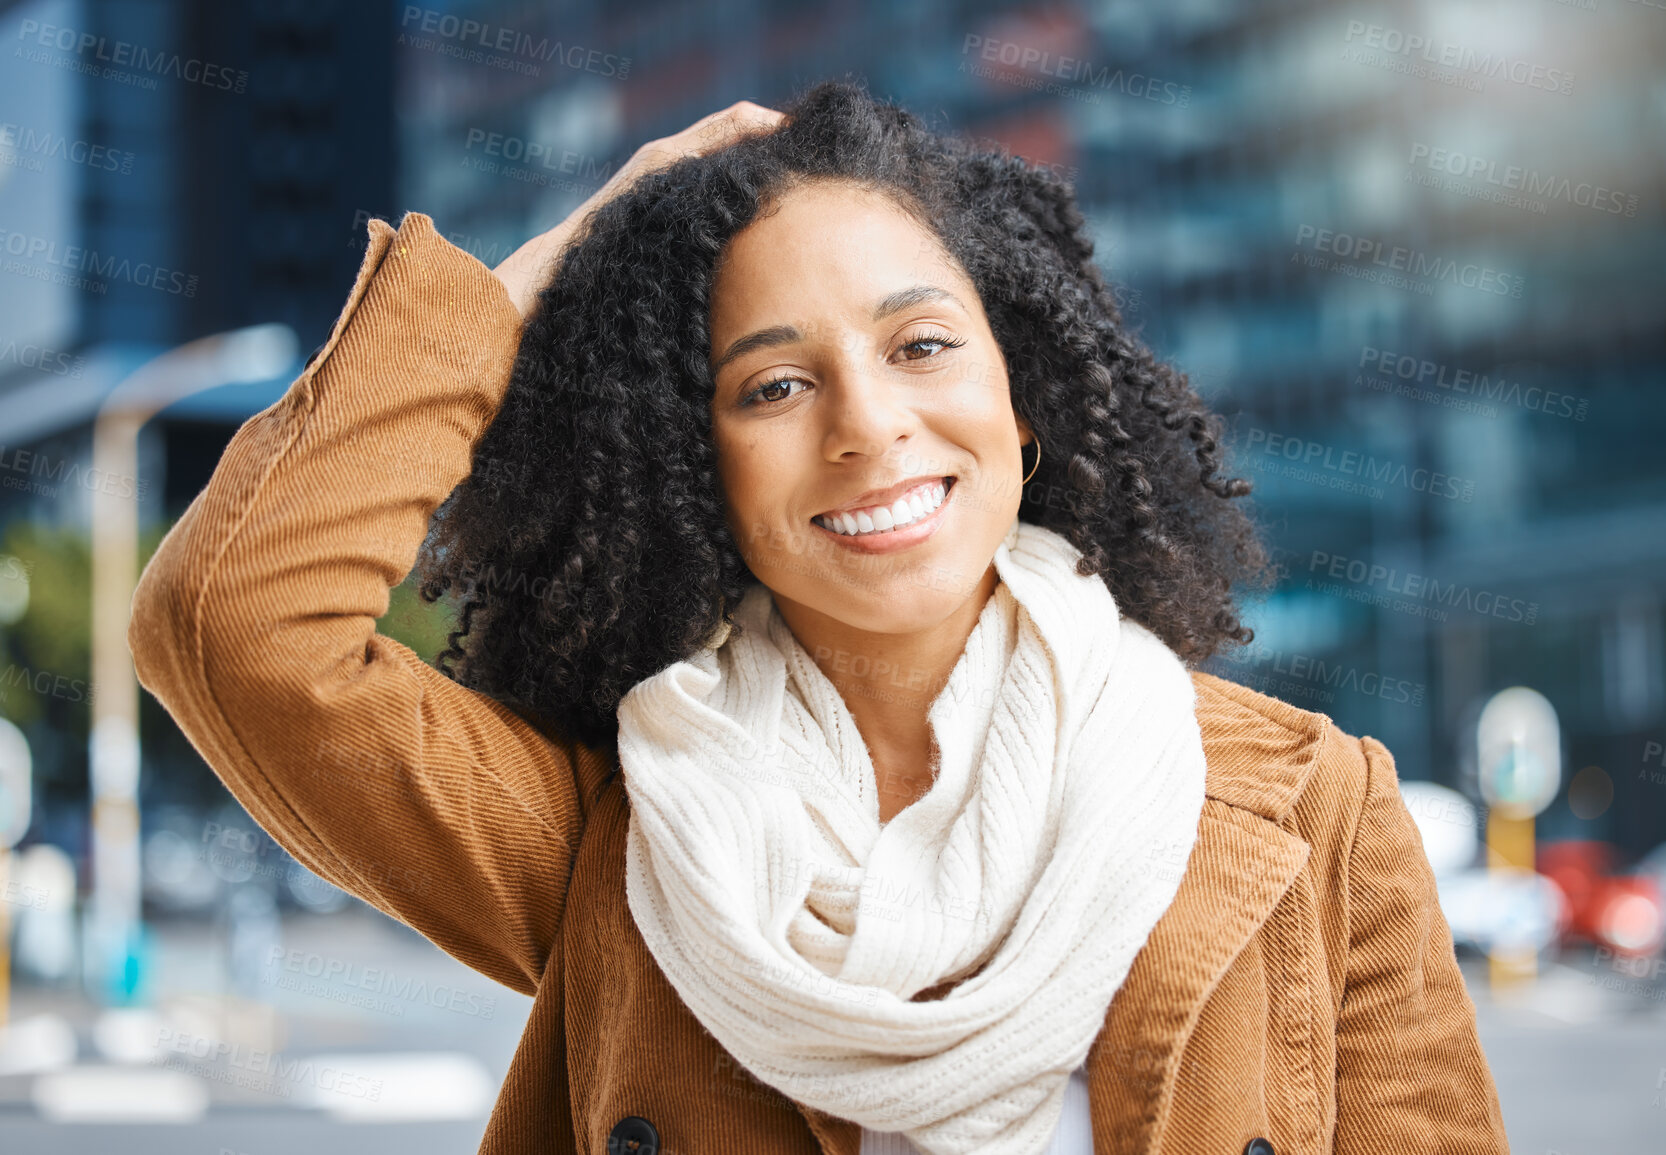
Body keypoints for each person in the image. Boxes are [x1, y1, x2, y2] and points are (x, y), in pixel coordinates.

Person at [128, 81, 1509, 1155]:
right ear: (697, 471)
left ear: (1021, 410)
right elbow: (235, 624)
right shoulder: (622, 836)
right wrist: (550, 268)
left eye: (921, 347)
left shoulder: (1314, 815)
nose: (868, 427)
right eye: (773, 386)